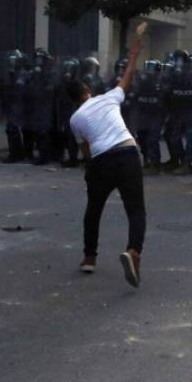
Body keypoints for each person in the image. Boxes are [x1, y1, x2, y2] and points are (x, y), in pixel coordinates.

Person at [70, 36, 145, 288]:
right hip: (127, 152)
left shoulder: (75, 119)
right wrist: (133, 54)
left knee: (93, 210)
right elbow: (127, 77)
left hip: (102, 159)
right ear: (88, 91)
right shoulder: (109, 97)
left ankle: (89, 258)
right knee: (135, 209)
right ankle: (133, 252)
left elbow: (86, 151)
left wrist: (92, 172)